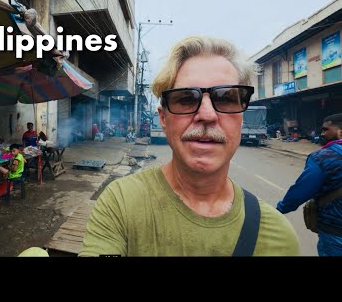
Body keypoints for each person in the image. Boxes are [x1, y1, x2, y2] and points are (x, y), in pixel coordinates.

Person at [79, 36, 299, 256]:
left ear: (241, 116)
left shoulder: (277, 235)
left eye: (224, 99)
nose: (207, 115)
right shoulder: (121, 204)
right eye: (186, 99)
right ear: (163, 119)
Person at [277, 113, 342, 256]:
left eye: (326, 130)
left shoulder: (323, 157)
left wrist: (279, 210)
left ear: (340, 132)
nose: (321, 133)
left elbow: (300, 192)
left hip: (335, 231)